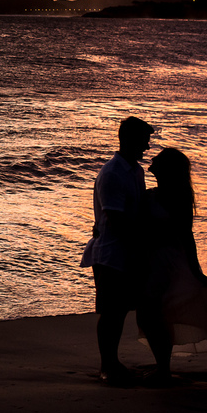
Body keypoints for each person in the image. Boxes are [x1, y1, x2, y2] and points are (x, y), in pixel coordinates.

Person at [136, 148, 207, 386]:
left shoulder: (178, 197)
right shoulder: (149, 193)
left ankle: (163, 369)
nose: (152, 161)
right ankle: (162, 367)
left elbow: (186, 236)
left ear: (167, 168)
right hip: (149, 261)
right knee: (151, 314)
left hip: (167, 262)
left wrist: (196, 270)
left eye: (158, 160)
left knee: (154, 313)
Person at [81, 116, 154, 386]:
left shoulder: (135, 171)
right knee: (111, 312)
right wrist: (140, 247)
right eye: (144, 141)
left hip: (125, 251)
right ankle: (107, 365)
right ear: (129, 140)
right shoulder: (112, 174)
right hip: (111, 253)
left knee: (120, 310)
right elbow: (115, 219)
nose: (147, 147)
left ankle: (112, 362)